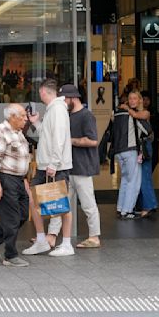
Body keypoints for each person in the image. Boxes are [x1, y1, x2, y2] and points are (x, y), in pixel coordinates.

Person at [22, 79, 74, 257]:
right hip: (47, 165)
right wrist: (36, 123)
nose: (39, 95)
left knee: (62, 205)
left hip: (54, 166)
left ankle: (66, 243)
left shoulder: (58, 109)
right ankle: (42, 240)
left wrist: (54, 163)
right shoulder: (53, 109)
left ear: (44, 92)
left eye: (40, 92)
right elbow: (48, 134)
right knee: (34, 199)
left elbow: (59, 138)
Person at [47, 84, 102, 248]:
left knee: (87, 203)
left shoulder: (86, 116)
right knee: (60, 203)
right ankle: (51, 236)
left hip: (82, 167)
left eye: (65, 99)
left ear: (73, 98)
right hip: (68, 167)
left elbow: (93, 140)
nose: (63, 102)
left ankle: (94, 236)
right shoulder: (66, 114)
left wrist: (69, 141)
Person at [0, 104, 31, 267]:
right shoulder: (0, 131)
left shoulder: (19, 133)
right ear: (12, 117)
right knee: (12, 218)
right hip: (6, 178)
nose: (26, 119)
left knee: (23, 215)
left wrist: (24, 179)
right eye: (22, 116)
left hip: (18, 179)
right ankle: (10, 254)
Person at [113, 90, 151, 220]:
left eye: (135, 98)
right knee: (133, 181)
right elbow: (147, 131)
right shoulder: (134, 115)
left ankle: (120, 208)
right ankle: (127, 210)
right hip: (130, 150)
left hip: (118, 151)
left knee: (124, 180)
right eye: (131, 99)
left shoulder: (117, 113)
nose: (133, 101)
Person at [141, 90, 159, 173]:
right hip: (142, 140)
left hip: (153, 139)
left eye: (147, 100)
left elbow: (157, 125)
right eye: (143, 99)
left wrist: (157, 136)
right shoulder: (137, 112)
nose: (145, 102)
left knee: (155, 159)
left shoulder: (154, 112)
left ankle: (148, 174)